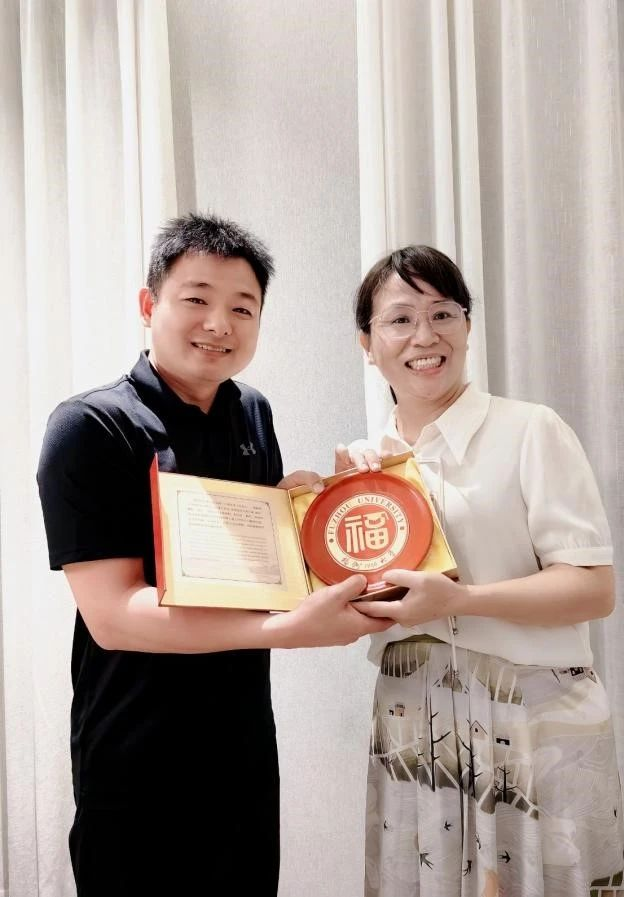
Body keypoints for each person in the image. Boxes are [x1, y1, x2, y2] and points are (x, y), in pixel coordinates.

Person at [37, 212, 391, 897]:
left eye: (242, 308)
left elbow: (255, 572)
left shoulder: (251, 411)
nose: (218, 324)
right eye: (196, 299)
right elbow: (114, 615)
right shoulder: (91, 425)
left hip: (241, 748)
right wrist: (285, 630)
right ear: (149, 305)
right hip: (134, 755)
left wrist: (313, 516)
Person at [339, 245, 624, 896]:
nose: (424, 336)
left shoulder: (530, 430)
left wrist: (458, 600)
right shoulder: (363, 467)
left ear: (467, 326)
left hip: (535, 718)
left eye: (443, 313)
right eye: (400, 319)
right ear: (367, 344)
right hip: (413, 721)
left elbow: (592, 588)